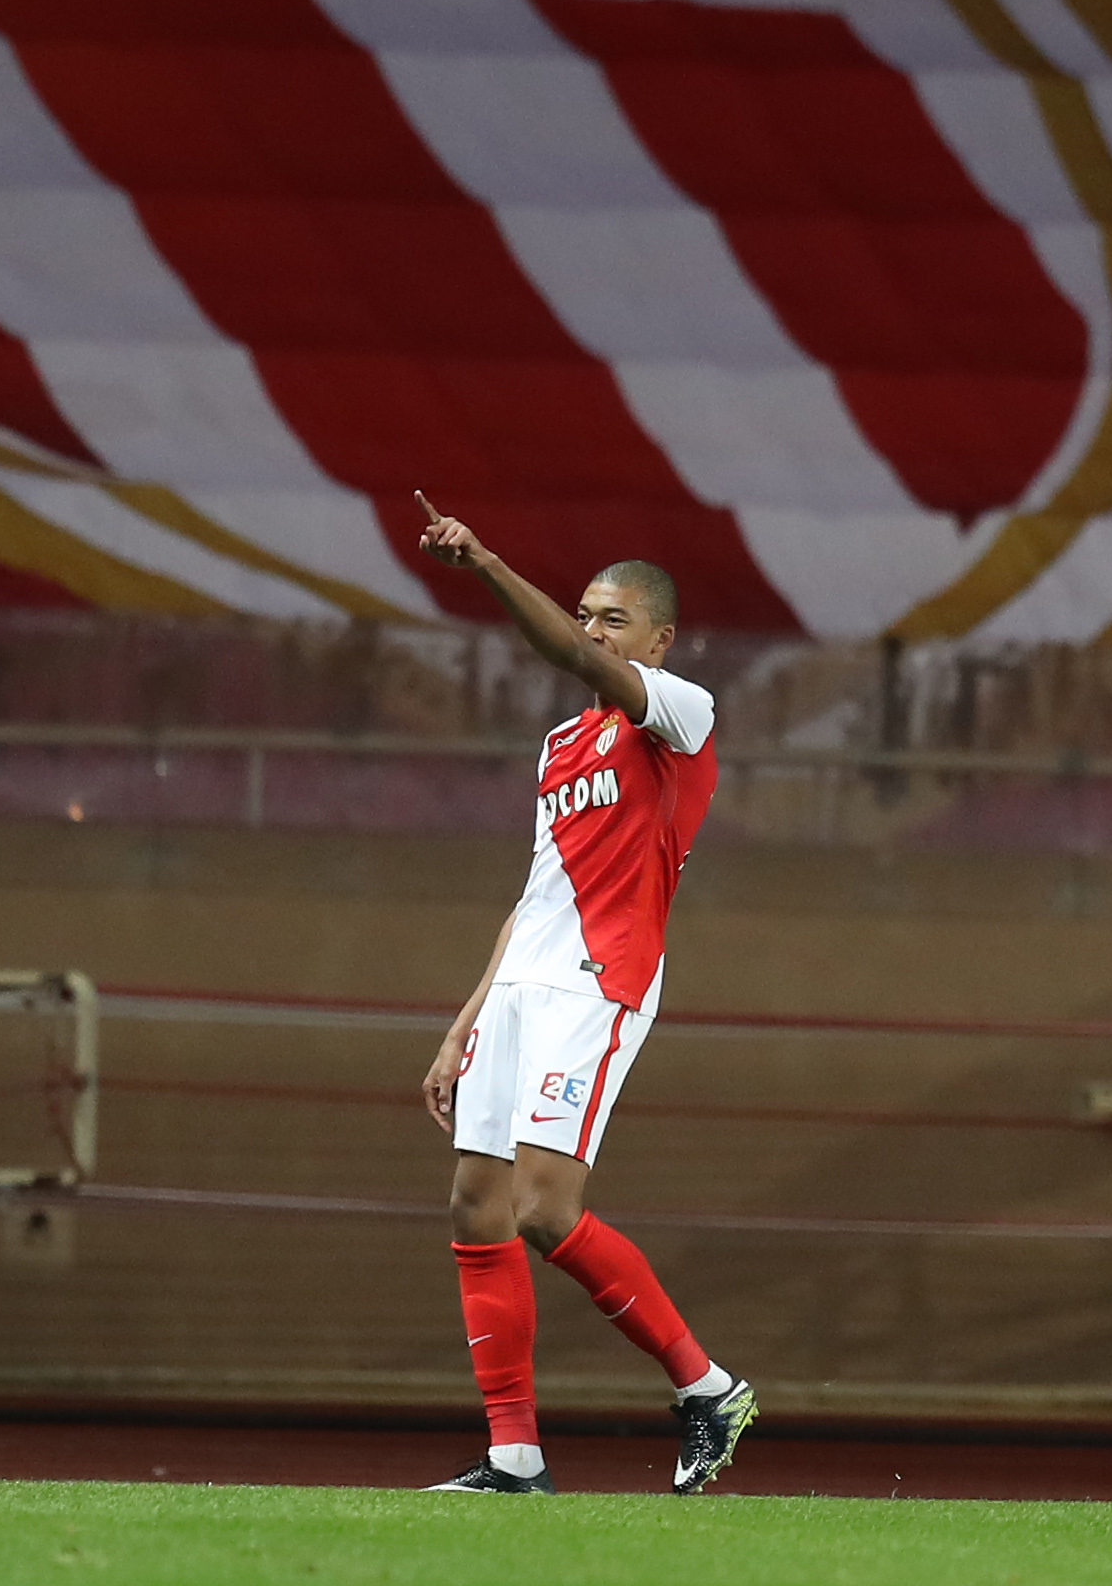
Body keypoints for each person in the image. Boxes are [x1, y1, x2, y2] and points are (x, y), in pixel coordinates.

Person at [410, 493, 751, 1496]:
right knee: (477, 1205)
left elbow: (573, 657)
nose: (596, 628)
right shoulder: (561, 747)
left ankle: (707, 1386)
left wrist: (484, 562)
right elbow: (532, 896)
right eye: (589, 611)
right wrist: (461, 1025)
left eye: (615, 617)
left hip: (599, 988)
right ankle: (515, 1456)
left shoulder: (682, 714)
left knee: (546, 1210)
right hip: (522, 986)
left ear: (660, 636)